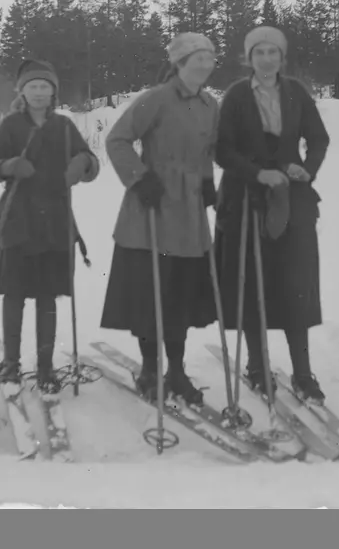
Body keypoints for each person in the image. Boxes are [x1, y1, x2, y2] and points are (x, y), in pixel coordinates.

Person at [100, 32, 220, 406]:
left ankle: (178, 370)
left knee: (180, 294)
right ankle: (151, 369)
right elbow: (117, 140)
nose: (205, 63)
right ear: (180, 63)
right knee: (150, 294)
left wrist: (207, 181)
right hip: (152, 206)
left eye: (210, 57)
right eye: (197, 58)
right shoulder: (156, 99)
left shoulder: (209, 104)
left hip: (189, 214)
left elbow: (206, 152)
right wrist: (139, 178)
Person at [213, 25, 331, 403]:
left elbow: (318, 138)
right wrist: (255, 172)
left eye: (273, 52)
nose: (266, 59)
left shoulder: (295, 92)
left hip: (291, 198)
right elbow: (222, 150)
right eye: (259, 52)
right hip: (244, 198)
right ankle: (257, 366)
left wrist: (306, 168)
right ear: (248, 58)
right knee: (252, 282)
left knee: (295, 283)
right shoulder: (234, 96)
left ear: (282, 57)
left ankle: (302, 372)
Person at [0, 59, 100, 394]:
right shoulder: (10, 126)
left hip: (55, 222)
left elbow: (92, 162)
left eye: (44, 87)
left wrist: (84, 163)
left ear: (53, 92)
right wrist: (7, 166)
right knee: (14, 295)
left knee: (48, 296)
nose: (38, 92)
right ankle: (10, 365)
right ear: (22, 90)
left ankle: (46, 367)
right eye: (32, 86)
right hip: (17, 220)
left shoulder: (64, 126)